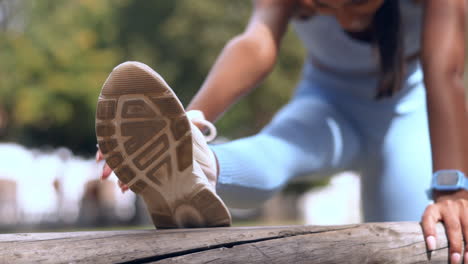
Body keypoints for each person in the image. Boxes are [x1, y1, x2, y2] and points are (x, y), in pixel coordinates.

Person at [95, 0, 468, 262]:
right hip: (327, 105)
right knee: (277, 150)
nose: (341, 18)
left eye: (356, 2)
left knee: (426, 241)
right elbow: (257, 43)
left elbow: (444, 73)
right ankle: (196, 161)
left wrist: (451, 189)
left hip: (407, 118)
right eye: (322, 5)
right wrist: (191, 117)